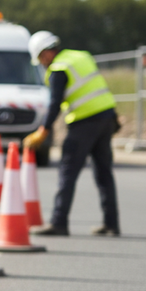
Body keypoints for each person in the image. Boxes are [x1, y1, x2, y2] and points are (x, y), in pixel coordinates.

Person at [23, 31, 120, 236]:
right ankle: (112, 224)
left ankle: (59, 222)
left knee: (67, 172)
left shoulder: (59, 68)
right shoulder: (81, 56)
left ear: (47, 53)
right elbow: (99, 87)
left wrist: (43, 130)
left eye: (40, 59)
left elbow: (54, 103)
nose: (42, 64)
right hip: (106, 119)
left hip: (84, 122)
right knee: (104, 173)